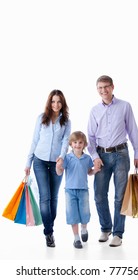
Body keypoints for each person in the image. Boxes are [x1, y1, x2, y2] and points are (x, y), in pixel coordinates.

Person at [87, 75, 138, 247]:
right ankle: (105, 228)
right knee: (99, 195)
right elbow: (90, 137)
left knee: (120, 197)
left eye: (106, 87)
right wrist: (95, 157)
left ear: (112, 87)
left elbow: (132, 129)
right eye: (100, 88)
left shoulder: (125, 106)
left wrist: (137, 153)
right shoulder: (94, 110)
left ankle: (118, 233)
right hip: (101, 156)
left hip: (121, 154)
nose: (103, 91)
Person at [25, 89, 71, 247]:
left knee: (54, 198)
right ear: (49, 102)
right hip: (40, 161)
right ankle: (49, 232)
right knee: (45, 197)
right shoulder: (41, 118)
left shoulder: (66, 121)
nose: (56, 104)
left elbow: (66, 141)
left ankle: (49, 227)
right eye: (53, 101)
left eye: (59, 101)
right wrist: (28, 163)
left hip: (57, 163)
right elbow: (34, 140)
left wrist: (62, 157)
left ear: (62, 103)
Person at [56, 131, 99, 249]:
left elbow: (89, 172)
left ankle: (84, 229)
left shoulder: (87, 158)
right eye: (75, 142)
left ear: (84, 144)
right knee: (72, 214)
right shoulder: (67, 158)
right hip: (70, 191)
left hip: (83, 190)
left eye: (80, 142)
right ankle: (76, 238)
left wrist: (95, 170)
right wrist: (58, 167)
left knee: (85, 212)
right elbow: (60, 173)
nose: (77, 145)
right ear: (71, 144)